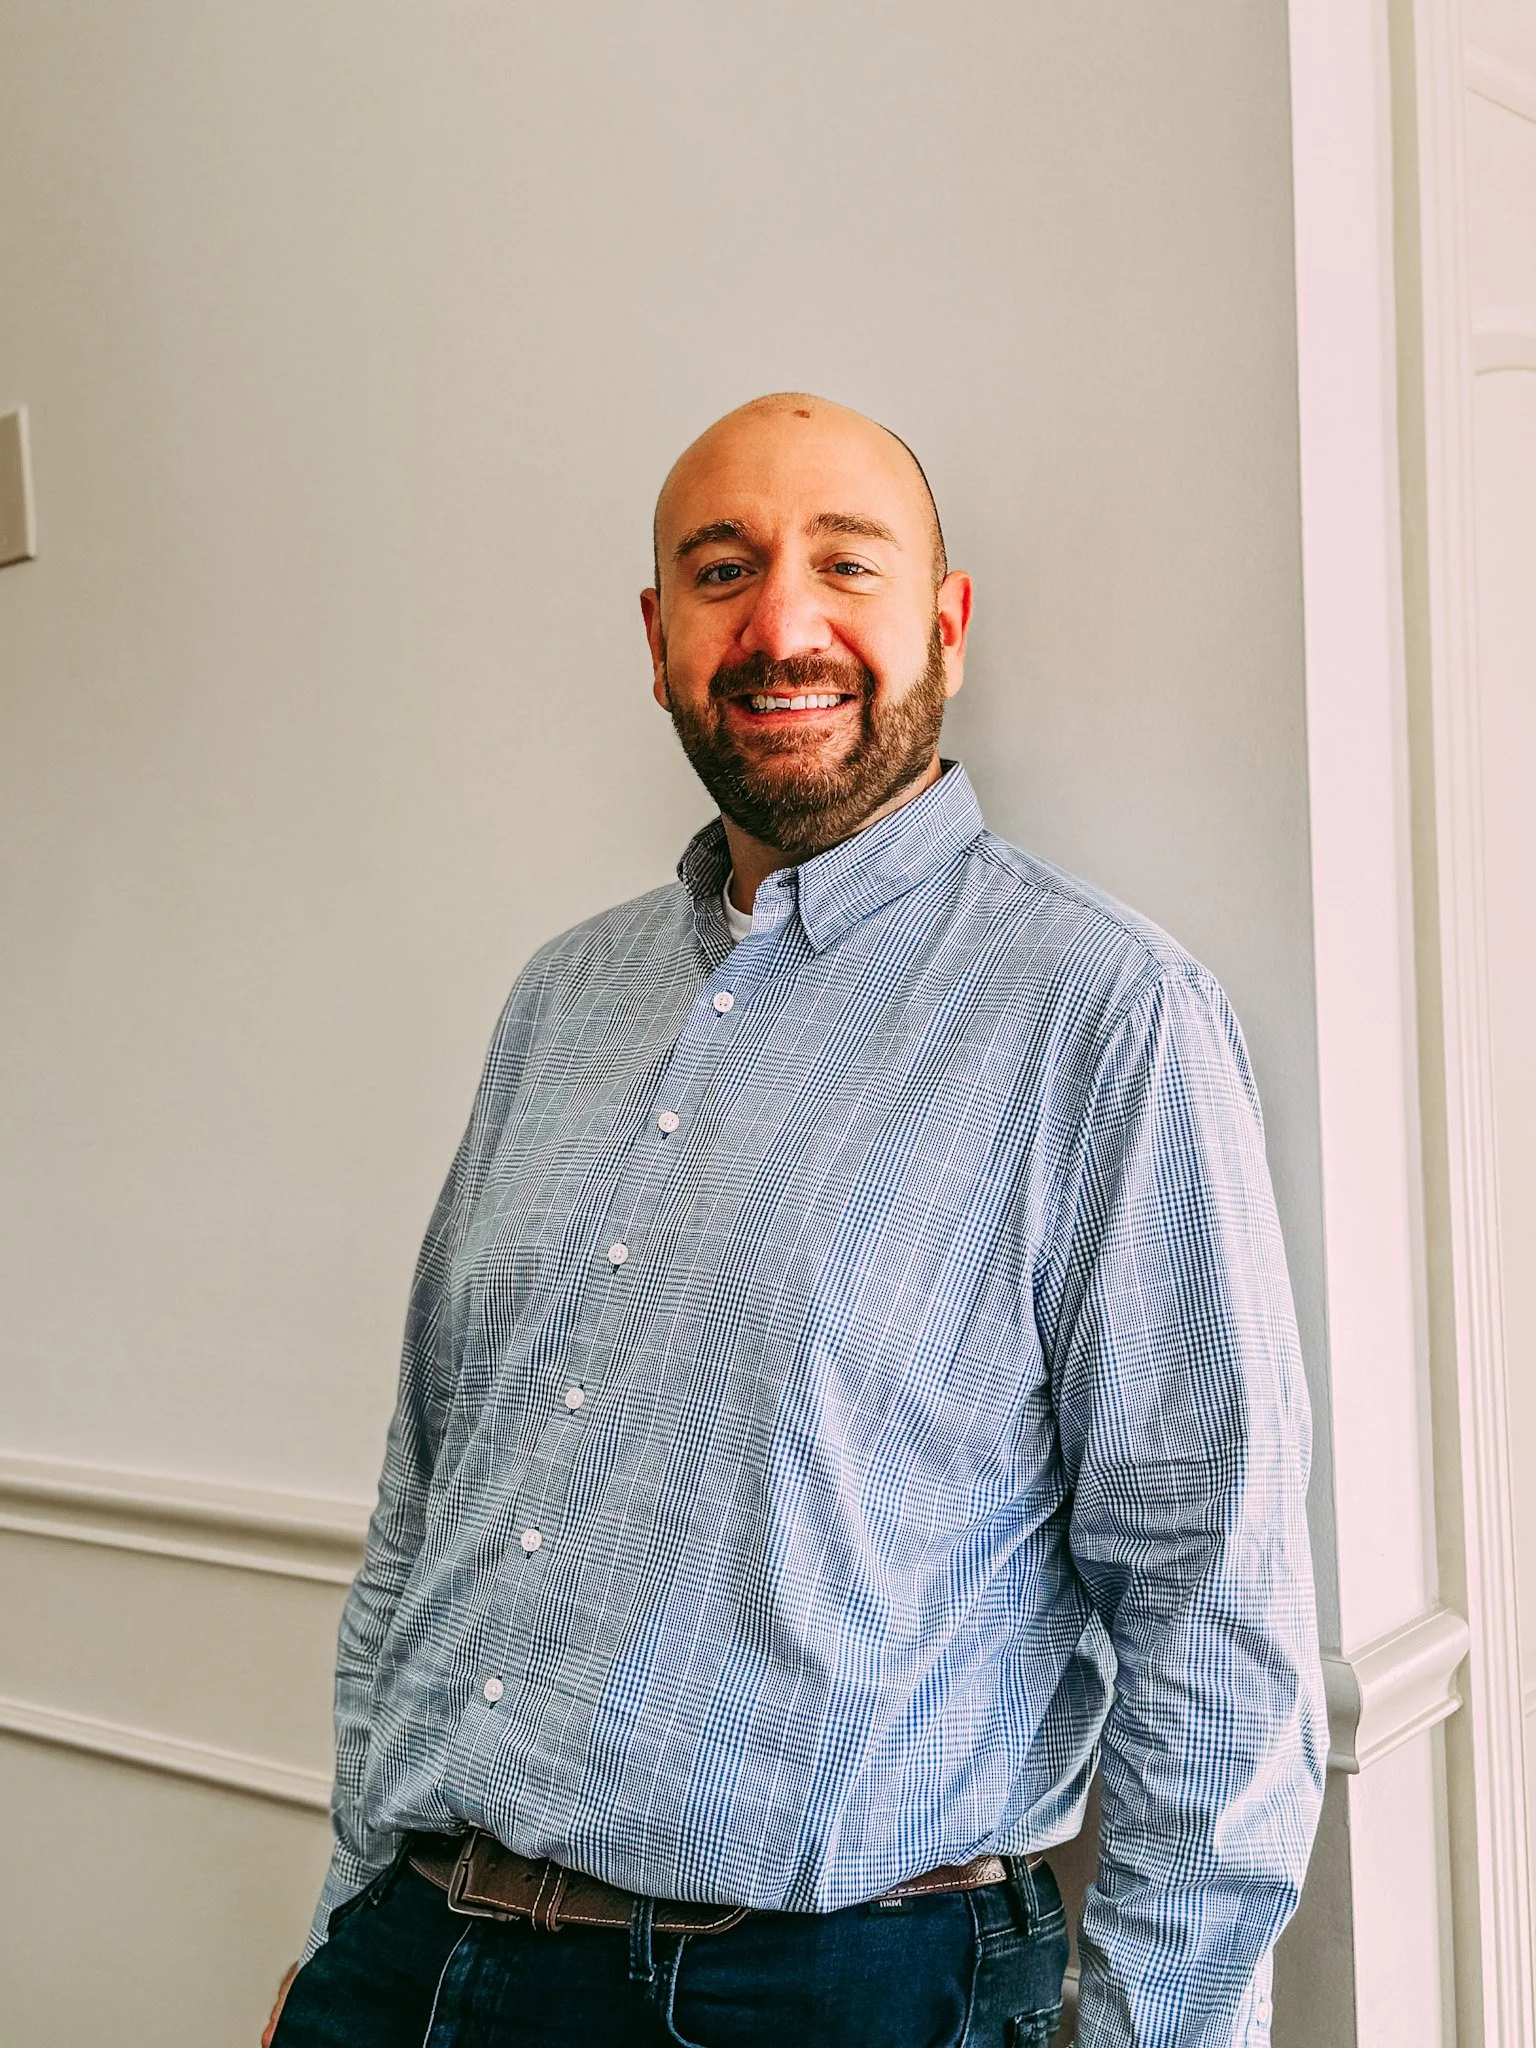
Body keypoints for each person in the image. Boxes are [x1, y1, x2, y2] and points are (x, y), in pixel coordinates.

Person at [266, 394, 1326, 2047]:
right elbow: (425, 1497)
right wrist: (347, 1932)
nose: (782, 625)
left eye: (847, 563)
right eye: (722, 569)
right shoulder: (561, 999)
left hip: (830, 1994)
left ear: (944, 625)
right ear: (659, 634)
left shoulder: (1106, 1018)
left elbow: (1210, 1603)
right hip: (413, 1962)